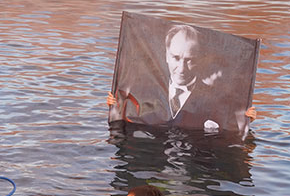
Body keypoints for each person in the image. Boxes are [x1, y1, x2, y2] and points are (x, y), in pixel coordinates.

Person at [108, 24, 256, 136]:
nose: (181, 68)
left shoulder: (218, 101)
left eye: (189, 60)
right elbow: (120, 132)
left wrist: (245, 121)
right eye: (176, 58)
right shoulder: (143, 93)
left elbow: (234, 137)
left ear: (200, 60)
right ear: (166, 55)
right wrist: (116, 110)